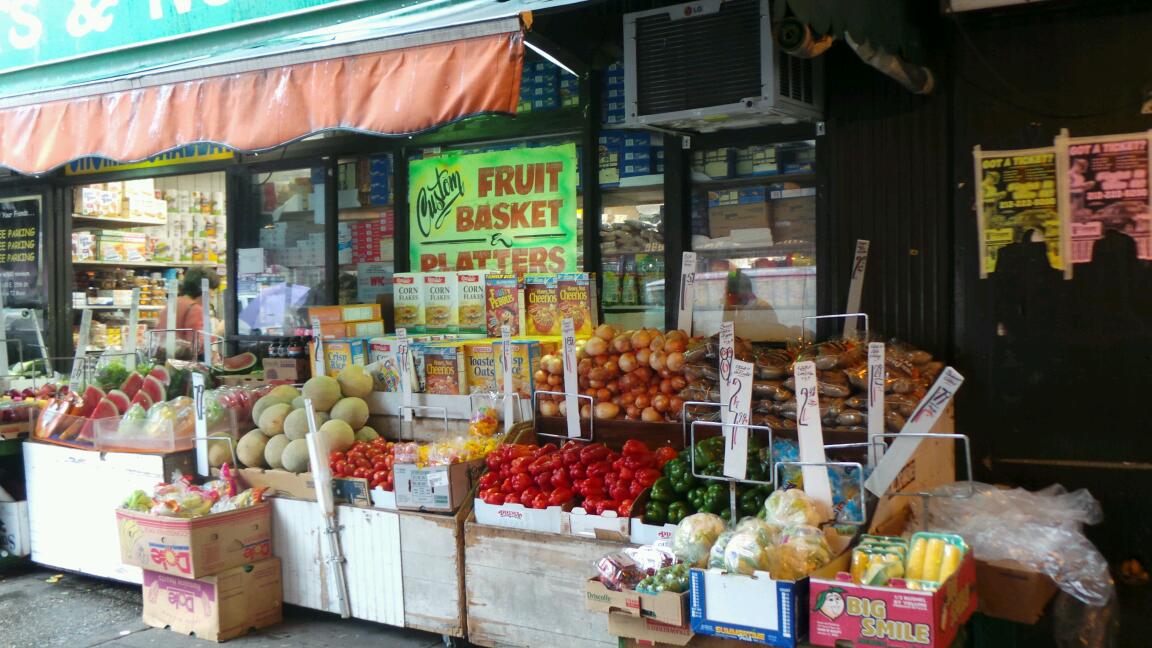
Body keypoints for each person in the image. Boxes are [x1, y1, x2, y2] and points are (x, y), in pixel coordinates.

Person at [154, 267, 221, 360]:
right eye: (212, 290)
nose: (213, 295)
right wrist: (218, 333)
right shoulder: (195, 309)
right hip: (184, 365)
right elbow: (196, 346)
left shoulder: (172, 304)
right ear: (202, 288)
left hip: (164, 361)